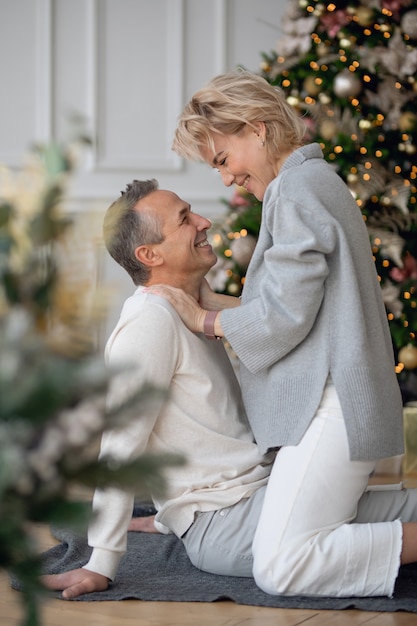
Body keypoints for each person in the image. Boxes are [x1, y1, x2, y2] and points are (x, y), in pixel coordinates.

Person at [42, 178, 417, 601]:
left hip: (264, 493)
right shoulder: (148, 323)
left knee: (409, 507)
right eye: (184, 219)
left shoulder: (193, 311)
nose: (203, 221)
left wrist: (167, 514)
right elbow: (120, 445)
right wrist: (102, 561)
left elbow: (204, 425)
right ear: (150, 254)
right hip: (229, 524)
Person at [142, 69, 417, 598]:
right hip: (334, 397)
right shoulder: (311, 182)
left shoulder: (295, 190)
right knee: (336, 520)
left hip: (331, 404)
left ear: (258, 128)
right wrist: (199, 300)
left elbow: (283, 318)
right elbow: (295, 305)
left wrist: (205, 320)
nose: (224, 178)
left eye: (223, 160)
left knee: (280, 567)